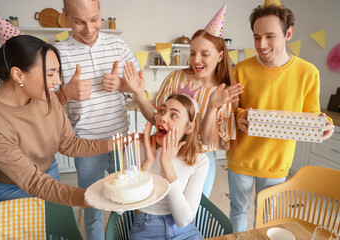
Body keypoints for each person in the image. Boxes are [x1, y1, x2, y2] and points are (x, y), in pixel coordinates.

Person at [226, 4, 335, 232]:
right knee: (238, 210)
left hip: (277, 162)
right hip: (241, 159)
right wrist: (238, 116)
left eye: (269, 36)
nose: (261, 45)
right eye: (256, 37)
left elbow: (312, 115)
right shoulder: (240, 70)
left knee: (267, 217)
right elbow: (229, 109)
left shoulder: (308, 73)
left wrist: (326, 124)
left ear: (288, 34)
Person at [123, 4, 243, 198]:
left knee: (190, 212)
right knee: (153, 198)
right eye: (193, 52)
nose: (196, 59)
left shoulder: (225, 93)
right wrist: (138, 93)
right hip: (163, 151)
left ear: (220, 56)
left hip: (199, 160)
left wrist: (212, 107)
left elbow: (209, 141)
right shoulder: (175, 78)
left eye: (205, 54)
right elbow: (156, 119)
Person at [0, 34, 113, 208]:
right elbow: (34, 182)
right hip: (7, 188)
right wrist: (96, 199)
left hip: (48, 173)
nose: (57, 82)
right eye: (50, 74)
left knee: (54, 232)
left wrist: (116, 144)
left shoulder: (47, 98)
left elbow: (69, 144)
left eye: (57, 73)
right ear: (18, 74)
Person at [54, 0, 141, 239]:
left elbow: (139, 84)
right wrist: (65, 93)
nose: (89, 29)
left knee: (129, 201)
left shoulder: (118, 44)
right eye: (79, 21)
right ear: (66, 16)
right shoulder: (57, 53)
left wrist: (122, 84)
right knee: (91, 204)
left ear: (100, 10)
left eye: (93, 19)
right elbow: (44, 102)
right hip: (85, 146)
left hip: (121, 142)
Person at [129, 92, 208, 240]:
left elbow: (183, 220)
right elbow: (121, 208)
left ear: (189, 128)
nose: (162, 118)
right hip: (145, 227)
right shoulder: (136, 147)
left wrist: (167, 165)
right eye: (162, 111)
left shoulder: (200, 160)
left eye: (174, 115)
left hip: (185, 231)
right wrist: (147, 164)